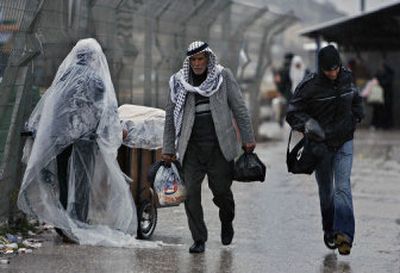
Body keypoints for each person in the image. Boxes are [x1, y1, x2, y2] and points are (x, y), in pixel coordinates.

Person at [18, 38, 138, 246]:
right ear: (93, 57)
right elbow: (103, 111)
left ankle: (64, 224)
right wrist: (116, 130)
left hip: (61, 139)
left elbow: (52, 107)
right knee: (81, 182)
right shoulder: (97, 80)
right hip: (84, 141)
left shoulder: (64, 77)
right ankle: (77, 223)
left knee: (64, 180)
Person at [162, 41, 256, 253]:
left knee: (221, 191)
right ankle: (199, 238)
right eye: (193, 60)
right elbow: (170, 117)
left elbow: (239, 108)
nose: (197, 63)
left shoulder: (223, 77)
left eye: (200, 59)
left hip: (218, 147)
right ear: (189, 61)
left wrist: (248, 139)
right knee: (191, 194)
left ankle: (226, 219)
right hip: (191, 148)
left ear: (208, 59)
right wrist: (168, 148)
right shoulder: (179, 82)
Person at [286, 45, 364, 255]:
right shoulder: (309, 86)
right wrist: (308, 124)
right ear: (321, 69)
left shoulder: (347, 77)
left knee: (342, 187)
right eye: (328, 70)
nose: (333, 73)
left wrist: (356, 117)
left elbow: (356, 99)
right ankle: (329, 230)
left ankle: (345, 235)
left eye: (336, 68)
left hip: (345, 141)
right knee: (326, 192)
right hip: (321, 147)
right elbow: (292, 113)